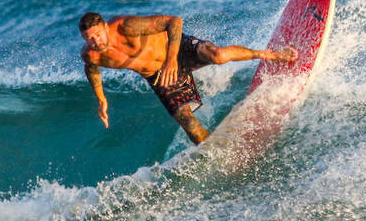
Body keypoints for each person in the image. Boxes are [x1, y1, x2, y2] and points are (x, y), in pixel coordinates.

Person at [79, 12, 297, 144]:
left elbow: (174, 22)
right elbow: (92, 69)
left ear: (106, 27)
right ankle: (215, 152)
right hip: (160, 77)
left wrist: (171, 60)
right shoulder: (91, 54)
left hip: (175, 51)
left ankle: (270, 54)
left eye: (98, 35)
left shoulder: (127, 27)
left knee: (218, 55)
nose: (96, 41)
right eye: (90, 38)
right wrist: (101, 99)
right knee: (188, 123)